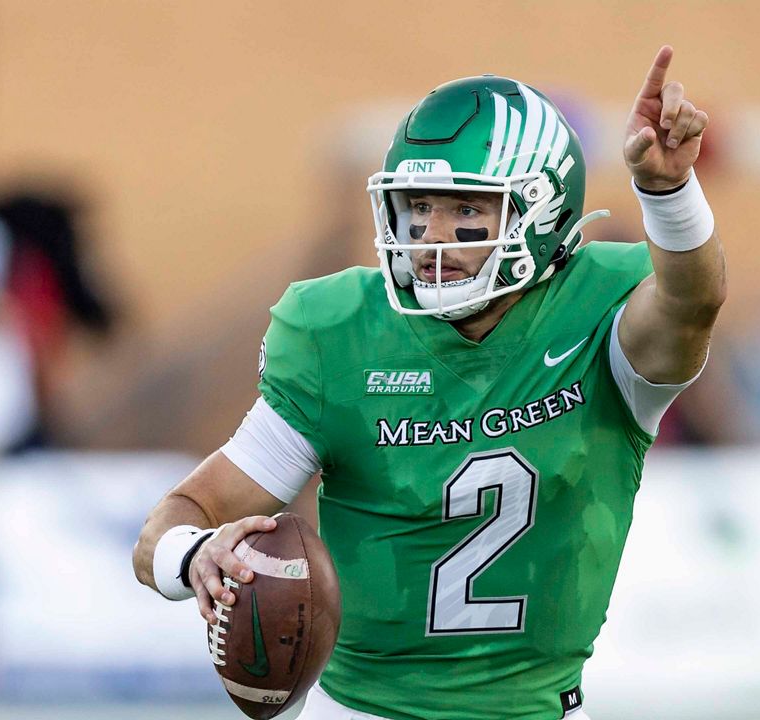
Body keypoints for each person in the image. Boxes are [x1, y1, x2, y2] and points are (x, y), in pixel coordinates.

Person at [133, 46, 726, 720]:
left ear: (541, 213)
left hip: (536, 710)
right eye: (418, 207)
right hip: (361, 710)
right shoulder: (342, 335)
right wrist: (196, 557)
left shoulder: (600, 319)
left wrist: (670, 195)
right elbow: (174, 522)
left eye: (464, 208)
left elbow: (690, 302)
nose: (430, 237)